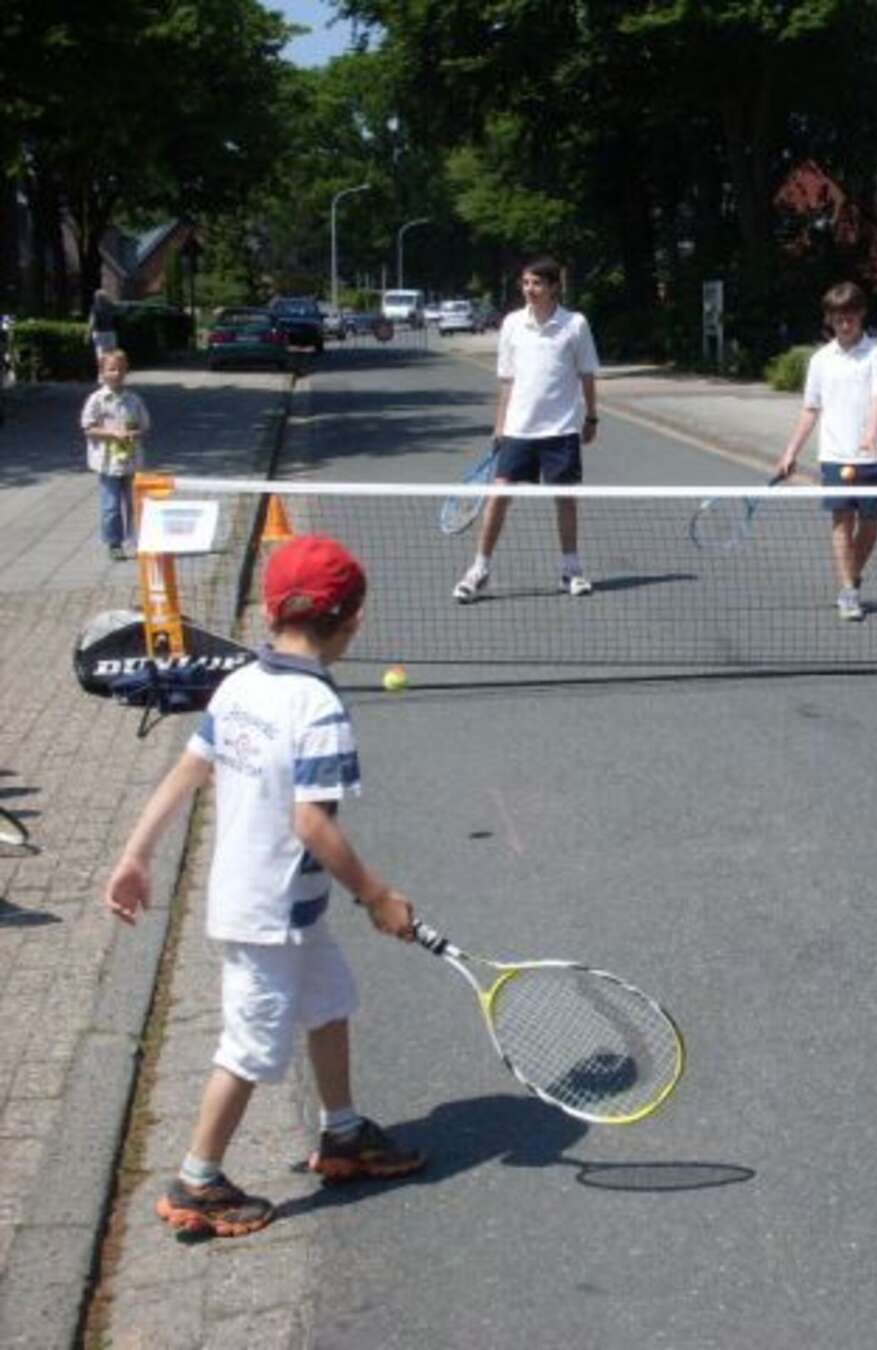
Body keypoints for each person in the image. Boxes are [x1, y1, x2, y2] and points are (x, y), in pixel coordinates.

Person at [104, 535, 425, 1238]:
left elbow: (188, 770)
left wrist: (136, 854)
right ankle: (198, 1180)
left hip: (271, 905)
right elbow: (311, 822)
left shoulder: (240, 684)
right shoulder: (319, 709)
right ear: (353, 620)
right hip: (269, 914)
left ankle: (343, 1133)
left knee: (331, 1002)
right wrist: (376, 895)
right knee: (248, 1049)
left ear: (272, 611)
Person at [453, 256, 602, 603]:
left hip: (561, 431)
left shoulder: (575, 324)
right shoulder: (512, 324)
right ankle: (479, 570)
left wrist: (592, 418)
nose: (529, 289)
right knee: (499, 496)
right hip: (518, 430)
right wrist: (499, 426)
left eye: (536, 283)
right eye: (525, 283)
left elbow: (587, 374)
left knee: (565, 500)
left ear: (553, 287)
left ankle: (571, 570)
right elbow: (507, 381)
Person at [776, 281, 877, 621]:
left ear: (862, 314)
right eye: (838, 317)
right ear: (829, 318)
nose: (845, 323)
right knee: (842, 522)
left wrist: (871, 434)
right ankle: (848, 590)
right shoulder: (820, 360)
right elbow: (810, 409)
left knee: (870, 526)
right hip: (833, 456)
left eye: (851, 316)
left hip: (873, 457)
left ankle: (851, 577)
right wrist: (790, 452)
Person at [80, 349, 151, 561]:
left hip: (131, 461)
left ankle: (137, 541)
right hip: (107, 462)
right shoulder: (97, 400)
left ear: (126, 371)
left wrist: (134, 433)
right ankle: (114, 542)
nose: (116, 373)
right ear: (102, 372)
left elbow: (144, 426)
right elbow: (88, 428)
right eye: (111, 369)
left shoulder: (134, 400)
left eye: (120, 369)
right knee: (111, 505)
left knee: (134, 503)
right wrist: (111, 433)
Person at [88, 288, 118, 360]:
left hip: (99, 332)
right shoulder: (111, 306)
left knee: (100, 351)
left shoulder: (95, 307)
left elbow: (92, 321)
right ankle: (110, 366)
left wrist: (88, 332)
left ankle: (101, 366)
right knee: (111, 352)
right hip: (110, 331)